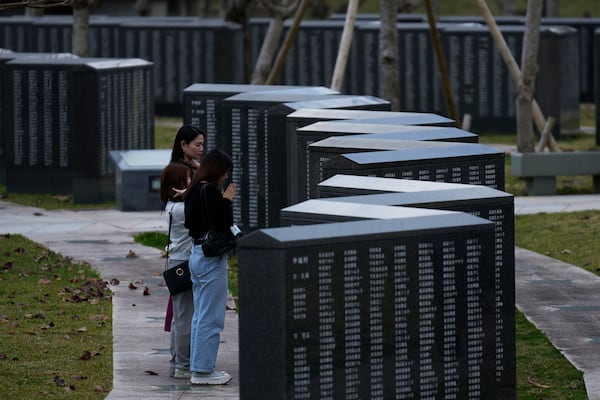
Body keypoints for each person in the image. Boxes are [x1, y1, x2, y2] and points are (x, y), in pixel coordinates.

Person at [184, 149, 236, 385]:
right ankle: (203, 371)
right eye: (225, 171)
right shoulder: (212, 193)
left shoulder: (194, 189)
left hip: (197, 253)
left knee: (200, 315)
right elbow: (223, 223)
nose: (226, 177)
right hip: (210, 258)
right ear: (217, 169)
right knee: (210, 317)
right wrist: (226, 202)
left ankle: (197, 366)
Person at [159, 162, 194, 379]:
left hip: (176, 263)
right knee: (184, 317)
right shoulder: (182, 209)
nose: (191, 183)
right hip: (184, 263)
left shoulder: (171, 206)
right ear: (177, 184)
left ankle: (176, 361)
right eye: (187, 179)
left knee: (179, 316)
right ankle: (183, 364)